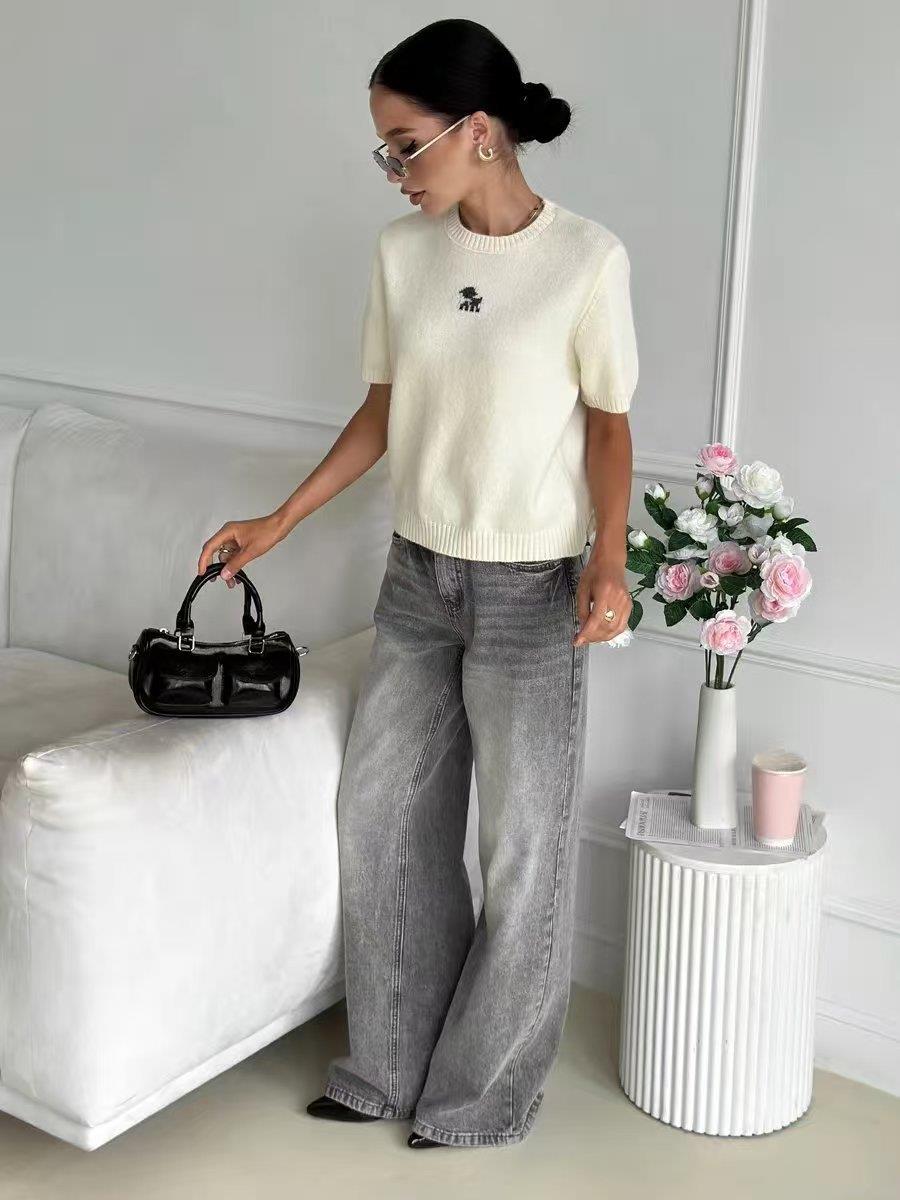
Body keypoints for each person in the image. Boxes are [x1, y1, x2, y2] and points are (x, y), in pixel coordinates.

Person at [197, 17, 638, 1151]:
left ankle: (480, 1095)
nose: (393, 169)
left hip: (534, 591)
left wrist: (609, 558)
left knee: (524, 849)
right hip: (417, 579)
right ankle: (386, 1064)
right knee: (384, 815)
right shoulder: (404, 254)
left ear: (478, 131)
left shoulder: (588, 260)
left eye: (405, 145)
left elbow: (608, 426)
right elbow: (383, 412)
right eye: (385, 150)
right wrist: (280, 520)